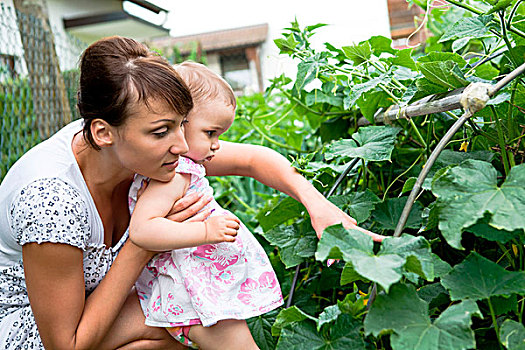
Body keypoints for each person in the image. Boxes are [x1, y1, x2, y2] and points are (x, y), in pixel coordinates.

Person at [0, 36, 382, 349]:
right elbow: (65, 345)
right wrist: (145, 243)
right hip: (32, 329)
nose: (183, 145)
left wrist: (318, 206)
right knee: (192, 309)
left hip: (98, 302)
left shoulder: (137, 142)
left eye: (184, 124)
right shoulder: (50, 199)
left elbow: (251, 160)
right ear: (102, 132)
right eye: (162, 130)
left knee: (187, 321)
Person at [128, 62, 283, 349]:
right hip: (195, 294)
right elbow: (142, 229)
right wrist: (206, 231)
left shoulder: (184, 169)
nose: (217, 144)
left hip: (202, 289)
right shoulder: (173, 176)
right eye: (210, 133)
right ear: (179, 123)